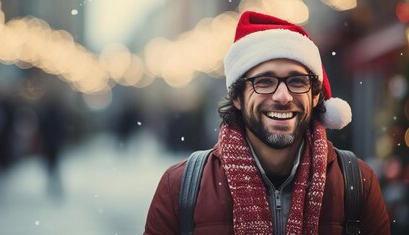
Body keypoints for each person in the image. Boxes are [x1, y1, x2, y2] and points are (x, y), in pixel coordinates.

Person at [145, 11, 390, 234]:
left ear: (315, 96)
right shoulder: (180, 188)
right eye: (263, 82)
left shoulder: (357, 184)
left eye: (297, 81)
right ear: (237, 97)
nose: (282, 97)